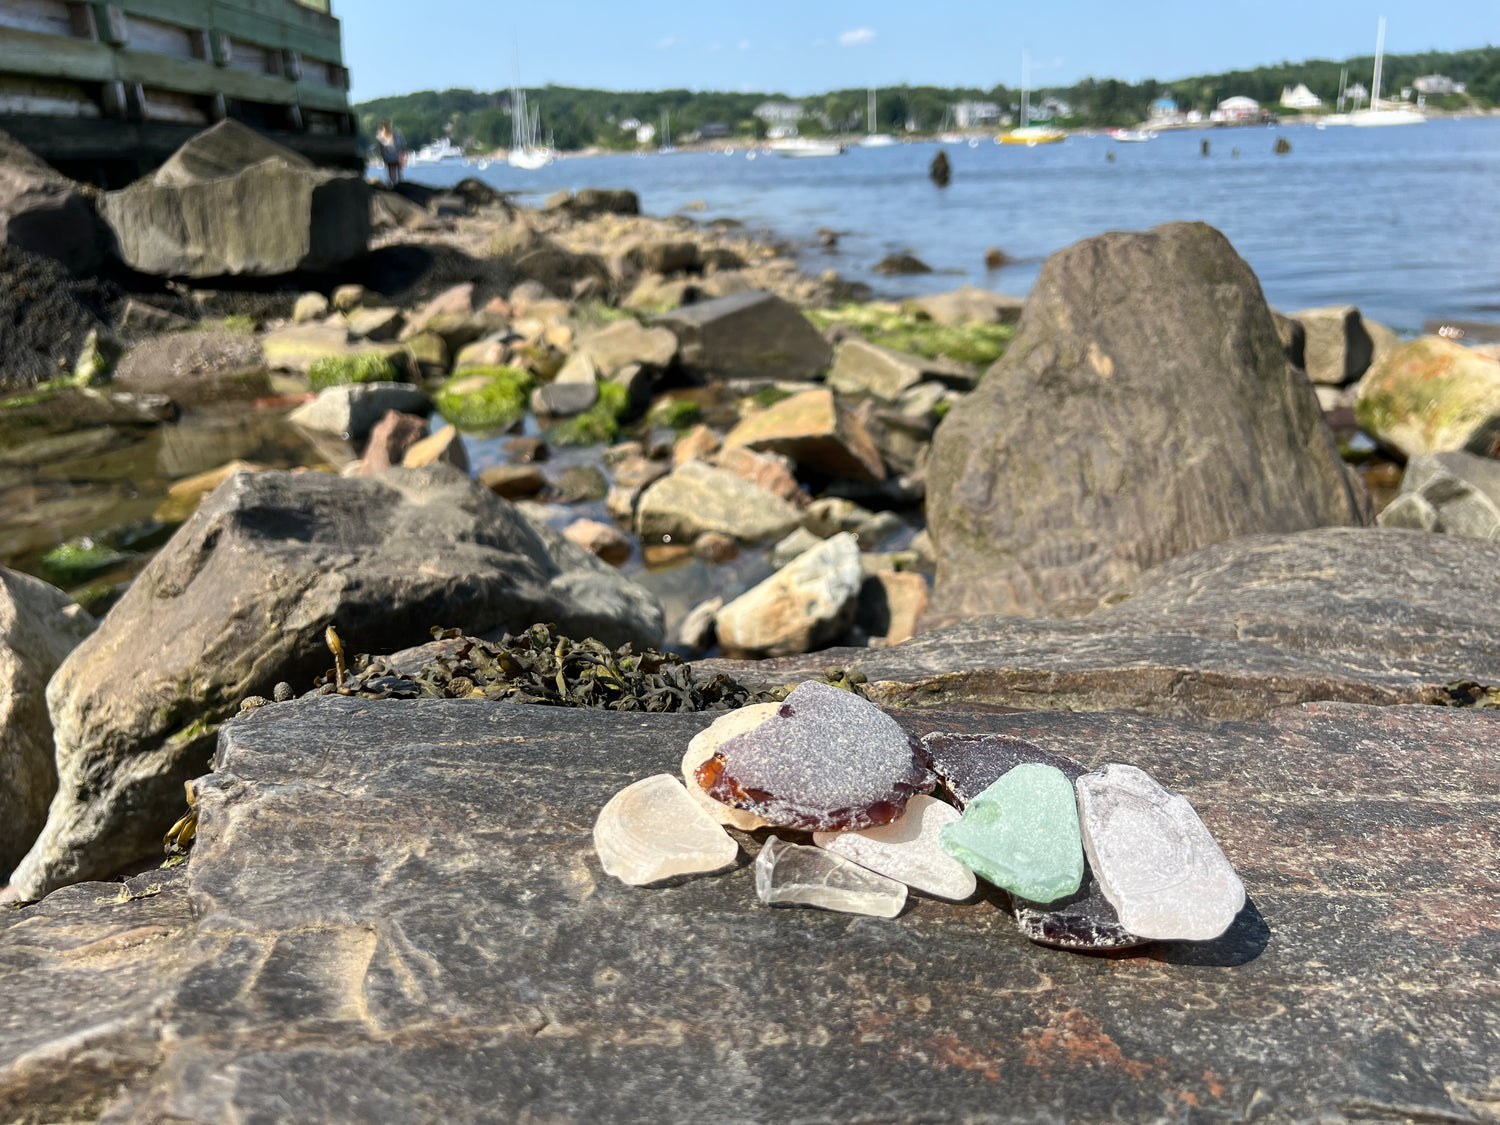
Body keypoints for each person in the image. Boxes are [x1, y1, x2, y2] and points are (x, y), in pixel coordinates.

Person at [374, 121, 406, 185]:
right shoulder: (382, 136)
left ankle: (396, 183)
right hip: (390, 156)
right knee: (393, 170)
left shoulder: (396, 134)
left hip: (393, 156)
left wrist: (403, 155)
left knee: (395, 171)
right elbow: (381, 148)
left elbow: (402, 146)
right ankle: (396, 183)